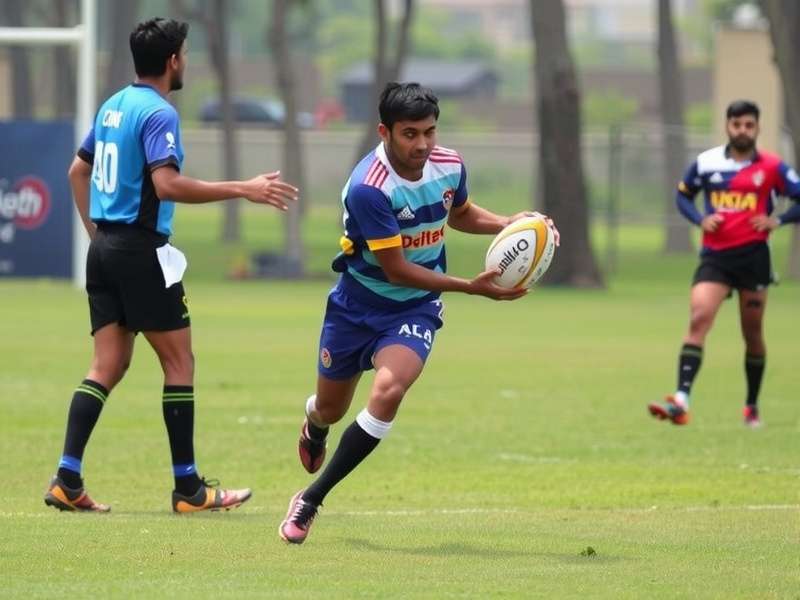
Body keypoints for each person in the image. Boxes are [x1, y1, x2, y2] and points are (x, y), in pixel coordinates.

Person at [278, 82, 559, 544]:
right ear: (384, 132)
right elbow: (397, 269)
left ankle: (310, 498)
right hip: (356, 306)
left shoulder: (448, 165)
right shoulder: (370, 188)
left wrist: (509, 223)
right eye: (410, 134)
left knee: (389, 391)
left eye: (429, 132)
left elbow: (460, 213)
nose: (422, 145)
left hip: (415, 309)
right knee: (331, 407)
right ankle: (314, 423)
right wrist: (471, 287)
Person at [44, 18, 298, 513]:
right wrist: (243, 188)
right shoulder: (159, 113)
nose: (188, 61)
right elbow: (168, 185)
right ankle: (189, 489)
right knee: (180, 363)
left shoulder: (114, 105)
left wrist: (98, 236)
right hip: (141, 251)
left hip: (106, 251)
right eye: (185, 53)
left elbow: (78, 170)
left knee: (107, 365)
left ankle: (66, 479)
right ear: (173, 61)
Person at [648, 100, 800, 428]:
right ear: (728, 126)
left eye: (748, 125)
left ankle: (751, 406)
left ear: (757, 128)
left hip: (754, 258)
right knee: (699, 317)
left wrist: (779, 220)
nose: (742, 130)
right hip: (716, 258)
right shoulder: (706, 163)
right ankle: (681, 400)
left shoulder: (773, 167)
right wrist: (700, 219)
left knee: (753, 332)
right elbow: (682, 196)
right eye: (736, 124)